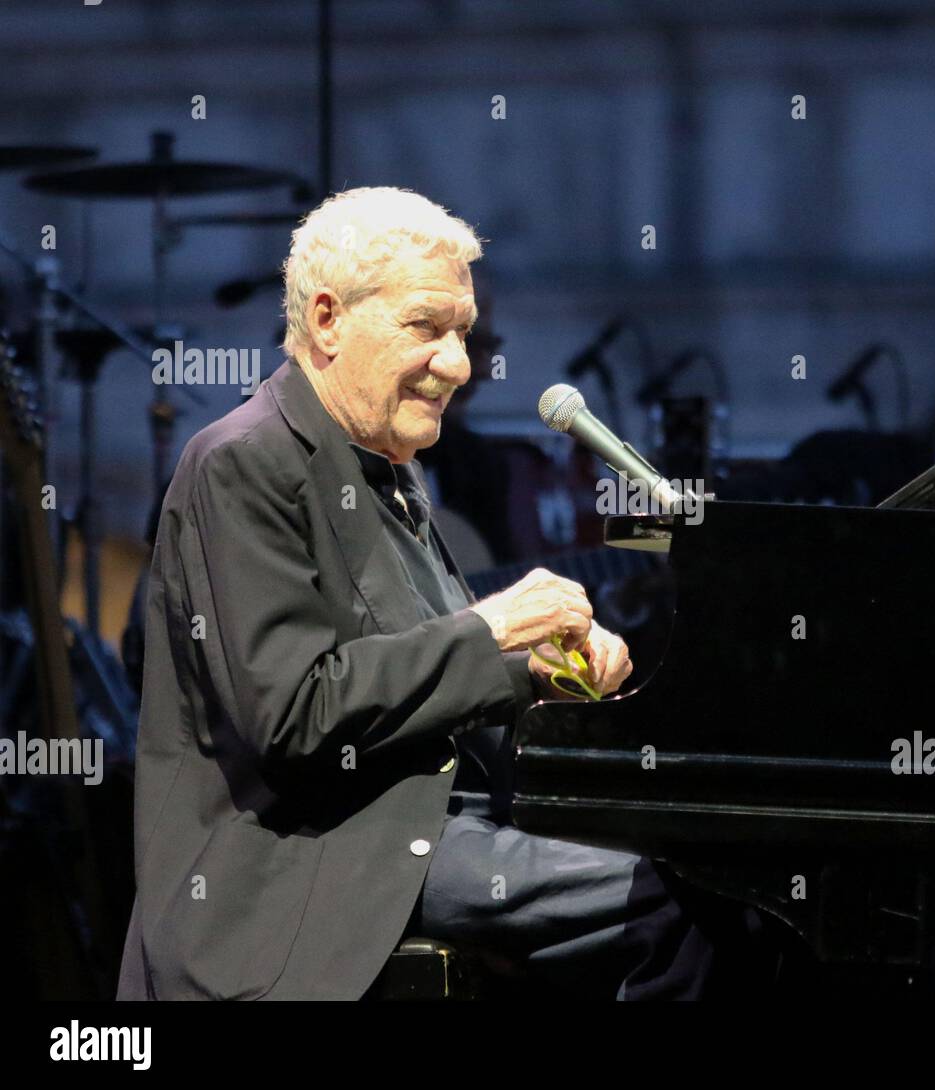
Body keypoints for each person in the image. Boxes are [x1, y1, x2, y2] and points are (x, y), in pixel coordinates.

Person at [115, 187, 762, 1000]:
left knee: (728, 878)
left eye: (462, 333)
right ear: (326, 319)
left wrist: (553, 674)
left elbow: (423, 679)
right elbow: (294, 717)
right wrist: (495, 631)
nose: (458, 364)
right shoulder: (242, 462)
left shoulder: (388, 468)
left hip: (425, 838)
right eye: (427, 327)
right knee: (681, 900)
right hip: (317, 868)